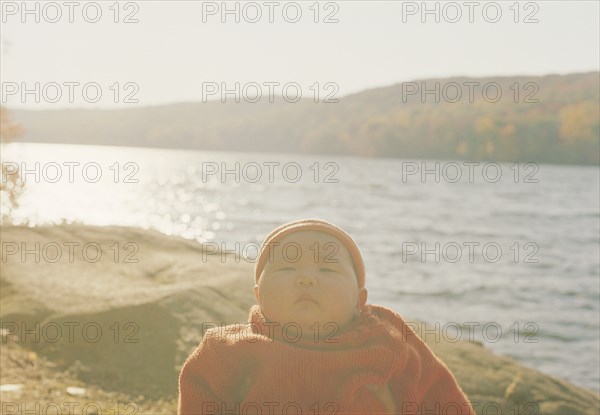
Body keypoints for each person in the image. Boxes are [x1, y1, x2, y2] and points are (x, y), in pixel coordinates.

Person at [178, 219, 474, 414]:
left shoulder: (389, 341)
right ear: (258, 295)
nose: (306, 278)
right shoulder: (226, 351)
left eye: (327, 269)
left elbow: (446, 402)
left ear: (360, 300)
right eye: (287, 268)